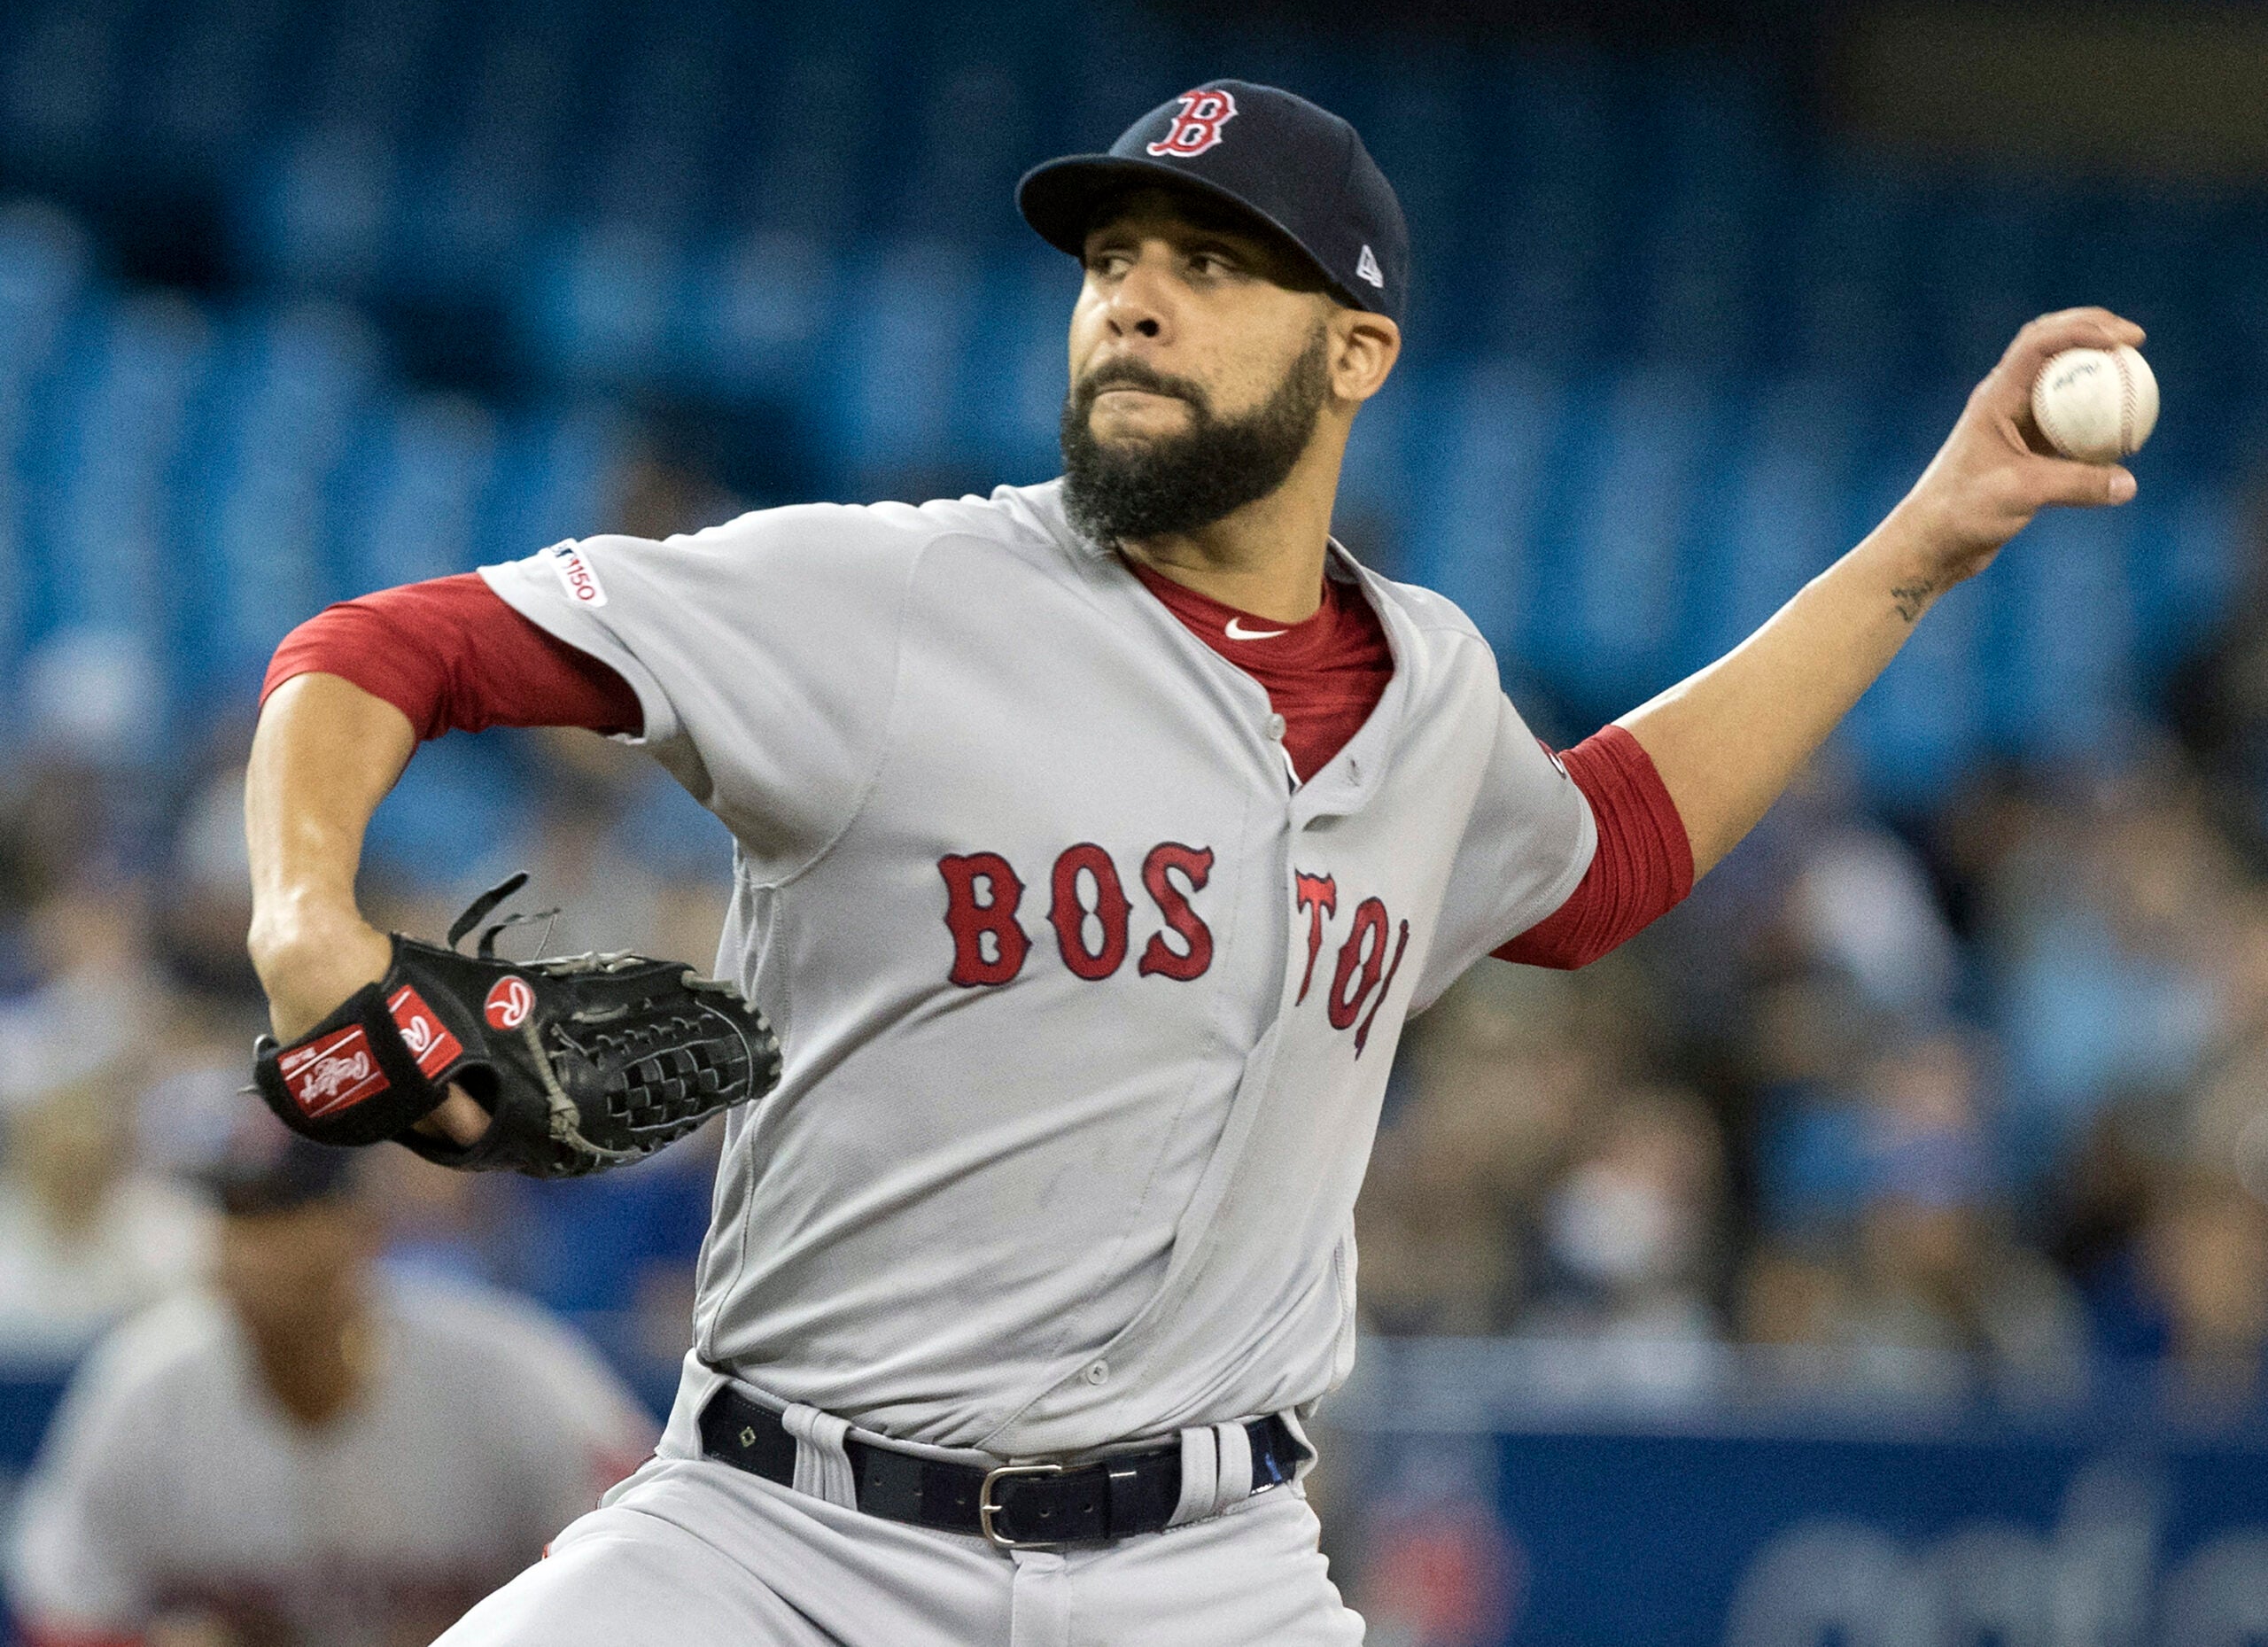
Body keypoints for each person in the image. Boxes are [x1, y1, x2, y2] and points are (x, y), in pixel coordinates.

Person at [240, 81, 2143, 1643]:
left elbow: (1599, 864)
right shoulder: (888, 596)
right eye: (1115, 260)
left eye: (1214, 266)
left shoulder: (1428, 691)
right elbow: (381, 647)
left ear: (1355, 351)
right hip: (776, 1548)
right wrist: (304, 914)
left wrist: (1921, 548)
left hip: (1206, 1576)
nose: (1134, 297)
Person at [7, 1105, 654, 1645]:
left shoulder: (508, 1372)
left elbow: (651, 1559)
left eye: (285, 1210)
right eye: (237, 1214)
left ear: (364, 1228)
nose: (254, 1248)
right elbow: (64, 1609)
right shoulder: (143, 1385)